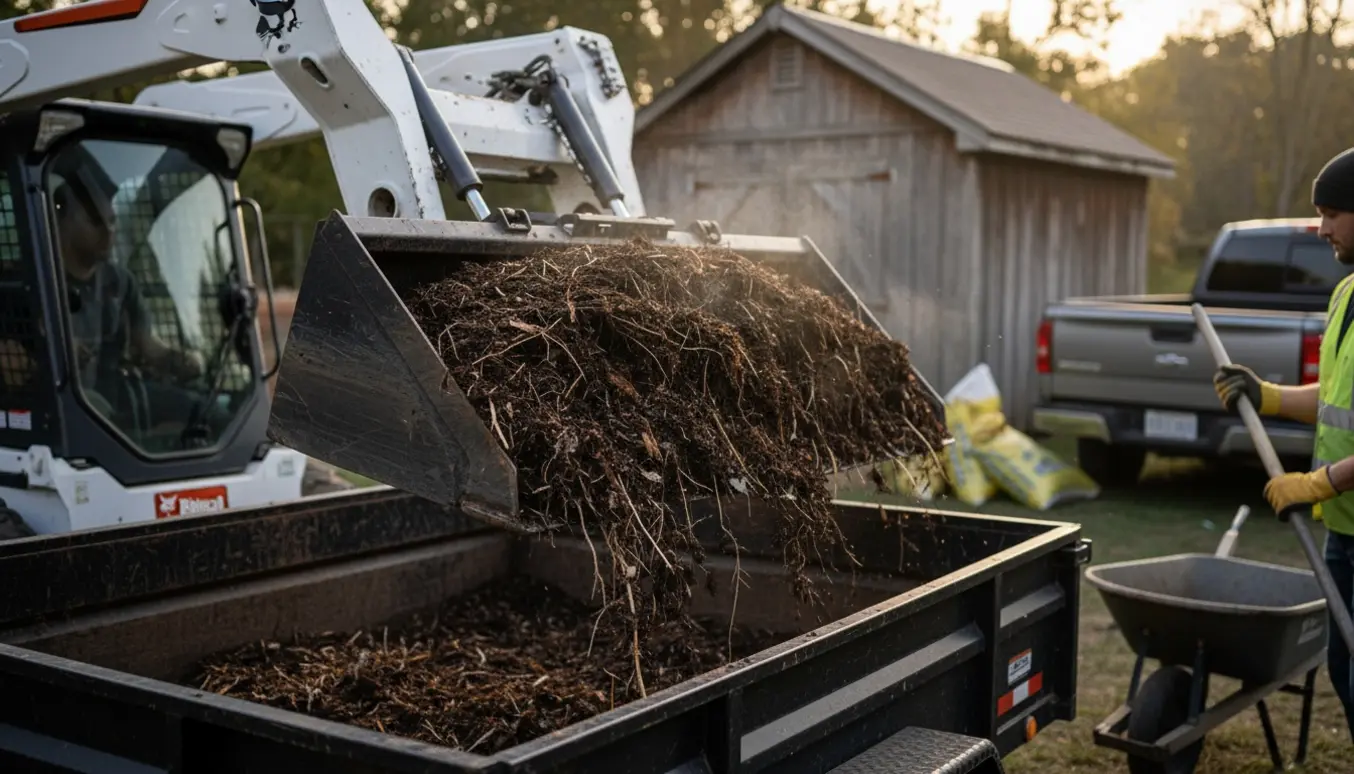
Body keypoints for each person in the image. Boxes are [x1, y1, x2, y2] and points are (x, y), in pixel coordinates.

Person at [1212, 145, 1354, 741]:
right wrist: (1268, 395)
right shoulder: (1348, 294)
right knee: (1346, 669)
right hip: (1345, 530)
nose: (1321, 229)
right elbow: (1339, 392)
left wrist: (1320, 481)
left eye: (1332, 213)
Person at [52, 178, 203, 421]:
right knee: (96, 410)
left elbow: (147, 345)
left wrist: (177, 360)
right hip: (63, 406)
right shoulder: (40, 281)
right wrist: (57, 353)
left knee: (202, 410)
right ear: (62, 222)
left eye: (112, 221)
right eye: (95, 222)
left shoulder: (121, 282)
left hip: (118, 398)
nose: (108, 231)